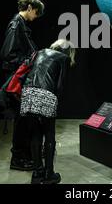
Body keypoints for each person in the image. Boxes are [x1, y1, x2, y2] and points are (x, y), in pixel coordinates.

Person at [20, 39, 76, 184]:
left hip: (28, 93)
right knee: (49, 134)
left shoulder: (40, 52)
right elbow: (60, 85)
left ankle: (37, 173)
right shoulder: (64, 58)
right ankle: (49, 174)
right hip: (46, 94)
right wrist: (56, 103)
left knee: (35, 134)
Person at [0, 0, 45, 171]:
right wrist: (26, 62)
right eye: (36, 12)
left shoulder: (21, 25)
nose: (36, 17)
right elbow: (7, 54)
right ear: (29, 8)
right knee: (21, 120)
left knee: (25, 119)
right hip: (16, 79)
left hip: (20, 78)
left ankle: (25, 154)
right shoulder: (15, 25)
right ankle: (17, 159)